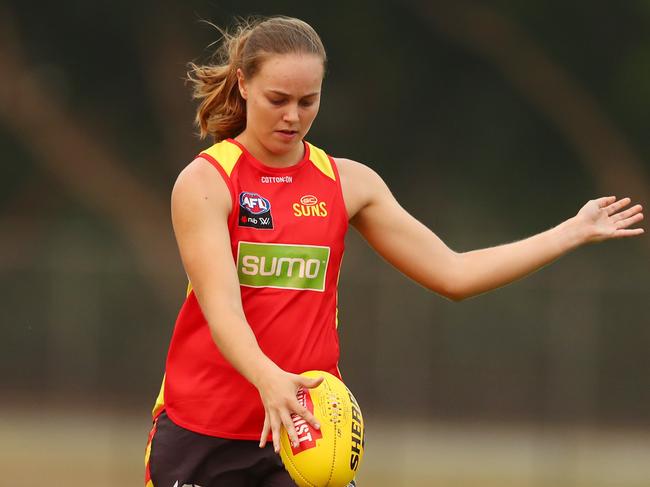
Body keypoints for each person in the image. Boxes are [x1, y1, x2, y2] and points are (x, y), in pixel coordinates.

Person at [143, 15, 644, 487]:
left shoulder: (348, 183)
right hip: (202, 430)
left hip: (306, 437)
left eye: (308, 100)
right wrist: (269, 380)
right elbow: (222, 309)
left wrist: (569, 232)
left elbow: (454, 274)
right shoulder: (208, 181)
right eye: (278, 98)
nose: (293, 116)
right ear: (243, 85)